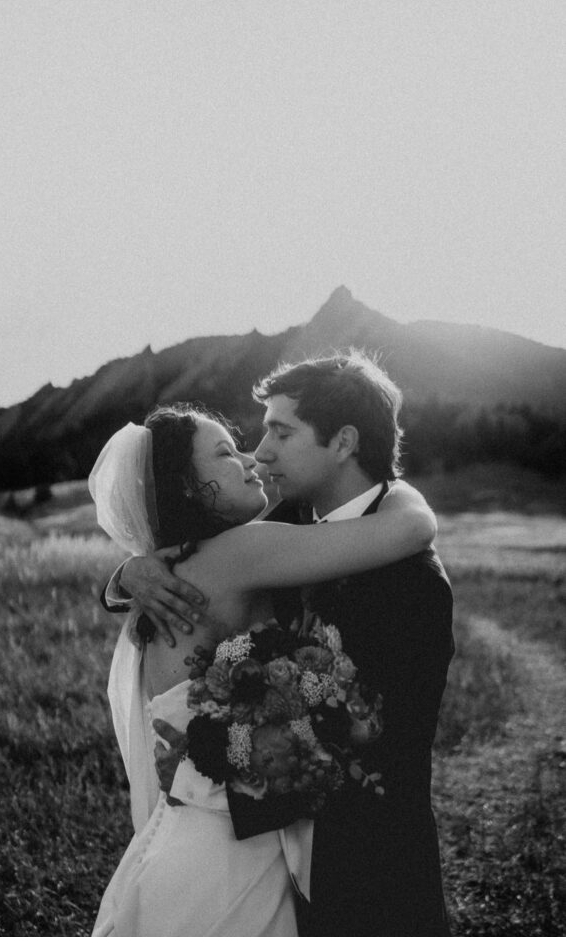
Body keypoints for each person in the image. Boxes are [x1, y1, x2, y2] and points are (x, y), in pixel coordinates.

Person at [109, 353, 454, 937]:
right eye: (254, 436)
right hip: (246, 843)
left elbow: (386, 745)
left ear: (343, 442)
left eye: (281, 431)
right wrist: (126, 576)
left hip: (370, 864)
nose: (259, 452)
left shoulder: (412, 582)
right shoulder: (279, 528)